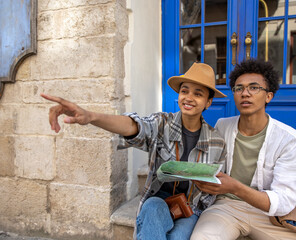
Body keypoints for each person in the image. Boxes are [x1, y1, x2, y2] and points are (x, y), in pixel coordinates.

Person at [41, 62, 227, 240]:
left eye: (198, 94)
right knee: (152, 209)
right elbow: (135, 127)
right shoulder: (162, 123)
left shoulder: (216, 143)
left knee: (178, 237)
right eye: (184, 91)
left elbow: (214, 188)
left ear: (208, 102)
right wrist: (91, 117)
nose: (188, 97)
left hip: (189, 208)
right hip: (158, 201)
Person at [191, 59, 296, 240]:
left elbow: (284, 201)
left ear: (269, 96)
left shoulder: (289, 139)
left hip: (268, 214)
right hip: (226, 207)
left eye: (254, 87)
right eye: (238, 88)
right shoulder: (222, 126)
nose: (245, 93)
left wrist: (235, 187)